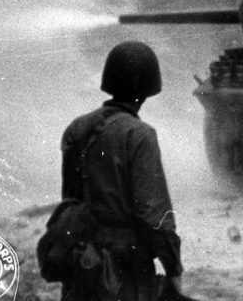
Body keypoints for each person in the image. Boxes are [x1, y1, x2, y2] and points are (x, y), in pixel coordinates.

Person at [60, 41, 184, 301]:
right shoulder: (140, 135)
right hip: (123, 270)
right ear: (148, 87)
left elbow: (70, 201)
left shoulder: (77, 128)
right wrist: (173, 269)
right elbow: (154, 217)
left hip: (81, 263)